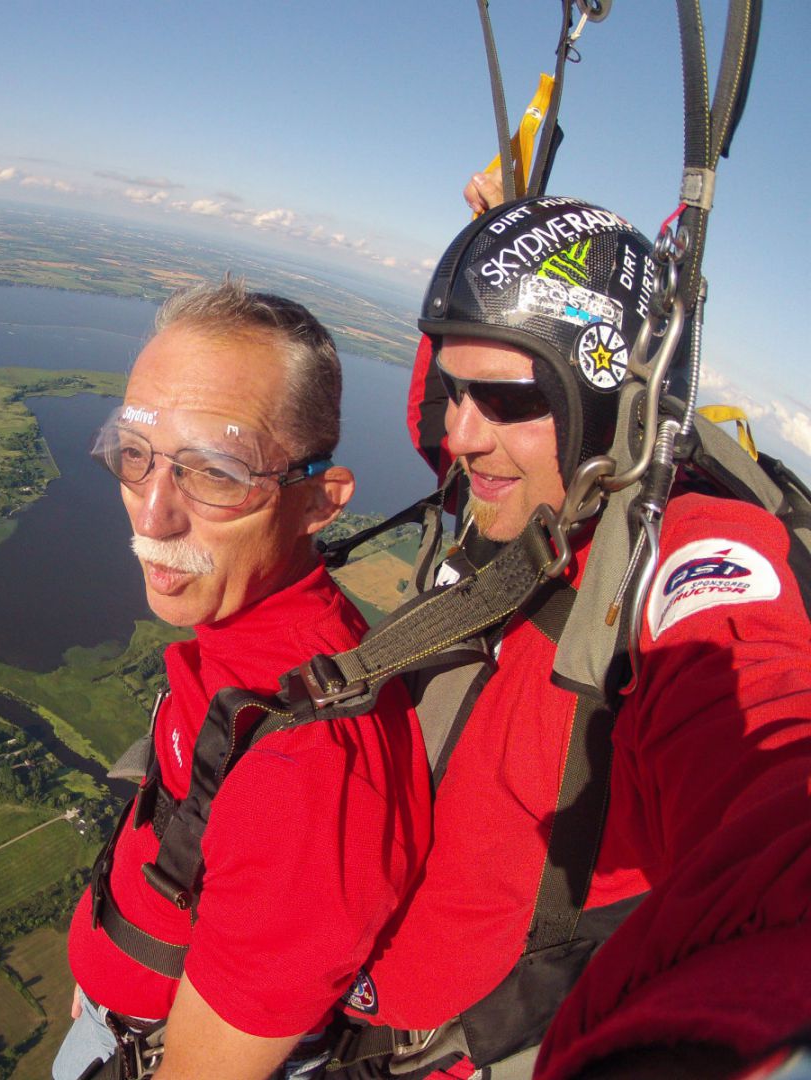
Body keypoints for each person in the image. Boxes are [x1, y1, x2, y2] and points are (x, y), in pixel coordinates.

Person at [336, 194, 811, 1079]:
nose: (459, 433)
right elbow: (455, 413)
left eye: (507, 397)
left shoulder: (691, 551)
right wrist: (504, 235)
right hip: (339, 1003)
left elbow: (767, 751)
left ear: (608, 408)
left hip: (453, 1048)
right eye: (453, 388)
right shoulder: (519, 486)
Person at [53, 281, 432, 1080]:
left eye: (216, 473)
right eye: (134, 454)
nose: (151, 515)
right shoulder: (244, 640)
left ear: (319, 503)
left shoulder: (305, 765)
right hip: (113, 1016)